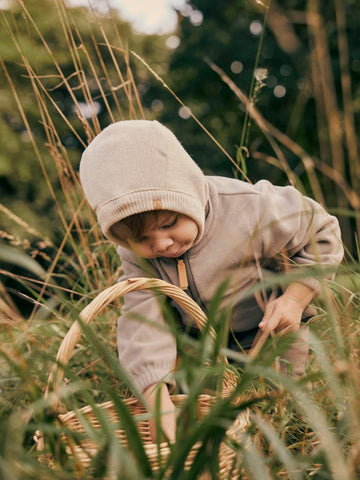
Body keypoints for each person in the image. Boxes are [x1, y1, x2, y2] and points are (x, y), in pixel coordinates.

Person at [79, 120, 344, 442]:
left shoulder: (249, 207)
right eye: (141, 238)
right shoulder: (137, 257)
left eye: (169, 223)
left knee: (286, 405)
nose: (161, 244)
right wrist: (155, 393)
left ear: (187, 190)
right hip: (200, 345)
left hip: (271, 329)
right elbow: (144, 321)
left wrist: (295, 298)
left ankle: (297, 444)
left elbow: (320, 231)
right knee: (204, 419)